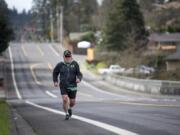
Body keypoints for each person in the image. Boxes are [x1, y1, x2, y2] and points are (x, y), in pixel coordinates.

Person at [53, 50, 83, 120]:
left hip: (73, 85)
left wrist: (79, 79)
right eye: (66, 56)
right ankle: (67, 113)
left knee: (72, 102)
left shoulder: (75, 64)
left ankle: (69, 107)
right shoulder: (60, 65)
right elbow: (55, 73)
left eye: (69, 56)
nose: (67, 58)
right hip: (63, 85)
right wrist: (55, 81)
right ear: (63, 57)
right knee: (65, 99)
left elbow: (79, 73)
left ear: (71, 56)